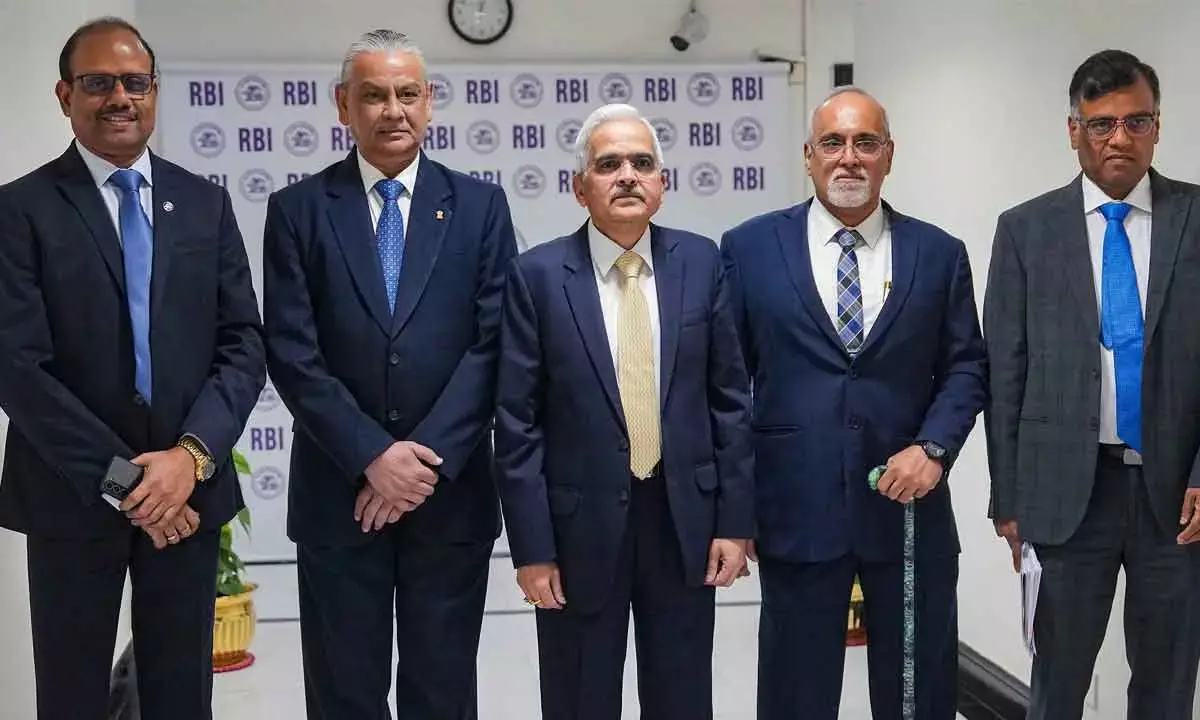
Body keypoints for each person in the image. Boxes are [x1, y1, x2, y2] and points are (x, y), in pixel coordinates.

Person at [0, 17, 265, 720]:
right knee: (72, 696)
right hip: (72, 497)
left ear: (153, 91)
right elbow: (18, 368)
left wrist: (189, 460)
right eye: (97, 83)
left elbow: (242, 343)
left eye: (134, 82)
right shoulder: (18, 210)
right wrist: (131, 485)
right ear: (65, 95)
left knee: (181, 697)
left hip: (187, 496)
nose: (119, 97)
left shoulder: (205, 204)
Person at [262, 29, 516, 719]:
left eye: (407, 94)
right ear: (343, 106)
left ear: (429, 102)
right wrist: (373, 456)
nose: (393, 110)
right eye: (374, 95)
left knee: (442, 693)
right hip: (338, 496)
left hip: (448, 496)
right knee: (344, 693)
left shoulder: (481, 207)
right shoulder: (298, 210)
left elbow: (494, 345)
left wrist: (420, 462)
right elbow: (292, 351)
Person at [720, 87, 987, 719]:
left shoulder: (938, 253)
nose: (849, 158)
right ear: (808, 155)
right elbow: (725, 385)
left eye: (865, 143)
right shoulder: (749, 249)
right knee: (795, 696)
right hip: (795, 511)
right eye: (833, 143)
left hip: (909, 511)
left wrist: (933, 449)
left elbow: (966, 366)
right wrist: (735, 507)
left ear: (889, 155)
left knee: (918, 695)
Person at [494, 103, 753, 720]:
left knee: (682, 699)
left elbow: (730, 401)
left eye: (642, 163)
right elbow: (518, 424)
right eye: (609, 164)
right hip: (576, 530)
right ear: (580, 187)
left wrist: (734, 523)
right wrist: (532, 549)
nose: (628, 175)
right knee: (579, 699)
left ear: (662, 182)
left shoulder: (703, 263)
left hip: (683, 522)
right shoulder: (536, 276)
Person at [984, 49, 1200, 719]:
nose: (1119, 138)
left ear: (1158, 126)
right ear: (1074, 130)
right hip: (1064, 493)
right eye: (1101, 123)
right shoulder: (1025, 231)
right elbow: (1005, 372)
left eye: (1137, 121)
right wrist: (1008, 496)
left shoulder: (1196, 217)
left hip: (1177, 495)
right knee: (1058, 684)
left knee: (1167, 686)